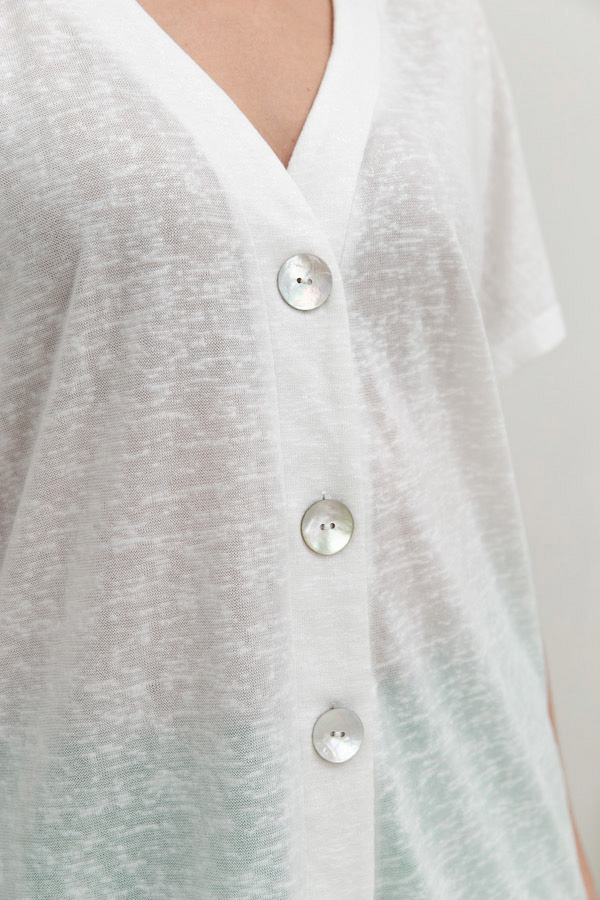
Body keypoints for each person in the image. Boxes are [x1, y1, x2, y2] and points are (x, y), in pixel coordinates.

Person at [0, 0, 596, 897]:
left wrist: (570, 862)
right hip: (120, 836)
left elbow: (462, 498)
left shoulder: (435, 21)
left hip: (475, 835)